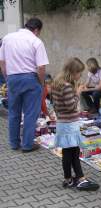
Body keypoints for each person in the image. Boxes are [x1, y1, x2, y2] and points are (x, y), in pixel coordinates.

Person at [0, 18, 49, 152]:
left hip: (12, 78)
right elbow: (41, 67)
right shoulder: (36, 41)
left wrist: (7, 78)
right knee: (30, 113)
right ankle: (27, 145)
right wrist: (41, 82)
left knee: (14, 112)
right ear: (37, 30)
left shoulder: (7, 38)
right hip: (30, 79)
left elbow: (2, 62)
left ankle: (14, 143)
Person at [52, 57, 99, 191]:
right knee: (73, 152)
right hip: (69, 124)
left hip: (62, 122)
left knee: (68, 152)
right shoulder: (66, 86)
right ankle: (80, 179)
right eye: (79, 73)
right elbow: (71, 106)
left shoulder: (57, 83)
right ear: (72, 72)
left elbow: (56, 104)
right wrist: (78, 93)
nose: (80, 76)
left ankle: (68, 179)